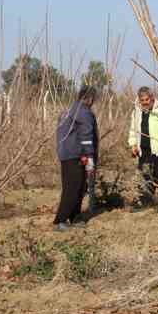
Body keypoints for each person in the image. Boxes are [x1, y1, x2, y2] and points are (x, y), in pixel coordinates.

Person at [53, 86, 98, 230]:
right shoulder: (83, 113)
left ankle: (74, 217)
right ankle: (61, 220)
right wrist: (89, 158)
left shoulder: (70, 110)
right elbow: (86, 137)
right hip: (76, 155)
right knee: (72, 188)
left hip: (67, 154)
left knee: (79, 187)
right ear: (90, 99)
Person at [127, 86, 158, 205]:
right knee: (145, 177)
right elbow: (133, 129)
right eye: (142, 100)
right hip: (144, 151)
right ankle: (146, 203)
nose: (145, 103)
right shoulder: (137, 111)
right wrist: (133, 144)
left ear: (152, 98)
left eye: (147, 100)